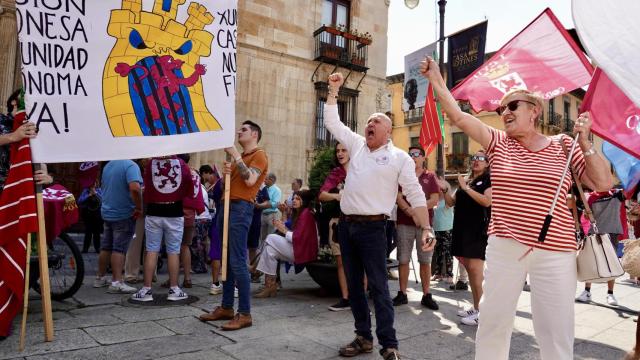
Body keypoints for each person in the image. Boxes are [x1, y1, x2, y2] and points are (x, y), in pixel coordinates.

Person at [420, 56, 613, 360]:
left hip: (555, 251)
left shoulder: (565, 144)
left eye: (512, 106)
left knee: (556, 330)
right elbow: (457, 116)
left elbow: (602, 182)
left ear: (534, 111)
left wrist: (586, 141)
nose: (504, 113)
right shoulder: (498, 143)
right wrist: (436, 79)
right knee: (493, 323)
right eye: (501, 109)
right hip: (504, 247)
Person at [325, 73, 435, 360]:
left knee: (378, 287)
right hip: (348, 228)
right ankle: (363, 338)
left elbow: (414, 193)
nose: (369, 124)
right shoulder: (357, 144)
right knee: (355, 287)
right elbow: (332, 123)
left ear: (388, 131)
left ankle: (389, 344)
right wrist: (334, 91)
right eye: (368, 121)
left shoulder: (399, 157)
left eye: (376, 122)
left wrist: (426, 228)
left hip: (375, 229)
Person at [199, 120, 268, 331]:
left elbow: (250, 181)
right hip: (226, 207)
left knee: (237, 260)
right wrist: (228, 172)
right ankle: (227, 307)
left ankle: (245, 313)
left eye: (244, 130)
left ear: (254, 134)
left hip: (240, 208)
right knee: (226, 260)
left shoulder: (259, 155)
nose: (239, 131)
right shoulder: (244, 158)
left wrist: (236, 156)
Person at [131, 155, 194, 302]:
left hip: (154, 212)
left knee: (152, 249)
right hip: (175, 211)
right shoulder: (182, 164)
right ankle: (174, 289)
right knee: (173, 251)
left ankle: (146, 289)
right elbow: (189, 188)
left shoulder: (151, 163)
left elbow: (146, 187)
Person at [442, 150, 492, 326]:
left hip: (477, 230)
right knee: (471, 271)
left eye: (481, 158)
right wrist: (445, 189)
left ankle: (483, 312)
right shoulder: (468, 179)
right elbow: (450, 203)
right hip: (463, 230)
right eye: (474, 158)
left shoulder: (487, 180)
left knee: (476, 271)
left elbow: (487, 201)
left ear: (487, 163)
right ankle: (477, 306)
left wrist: (466, 188)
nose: (476, 161)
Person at [393, 146, 440, 310]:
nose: (413, 157)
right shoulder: (402, 176)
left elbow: (434, 200)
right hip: (404, 222)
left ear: (423, 158)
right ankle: (402, 293)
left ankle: (427, 294)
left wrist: (416, 210)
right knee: (403, 259)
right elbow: (398, 197)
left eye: (416, 154)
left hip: (425, 225)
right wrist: (410, 211)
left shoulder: (430, 176)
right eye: (410, 154)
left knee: (425, 261)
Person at [254, 190, 318, 297]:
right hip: (297, 248)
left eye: (298, 199)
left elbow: (297, 237)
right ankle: (270, 286)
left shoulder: (306, 214)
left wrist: (283, 230)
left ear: (304, 201)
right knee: (270, 251)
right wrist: (282, 226)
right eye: (293, 198)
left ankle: (257, 270)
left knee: (270, 237)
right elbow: (290, 229)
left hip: (302, 252)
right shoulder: (299, 213)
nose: (294, 200)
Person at [93, 160, 143, 294]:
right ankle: (117, 282)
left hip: (108, 211)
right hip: (124, 213)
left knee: (106, 247)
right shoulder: (131, 166)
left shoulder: (109, 165)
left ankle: (100, 277)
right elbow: (135, 188)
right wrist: (138, 206)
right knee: (119, 249)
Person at [576, 187, 626, 306]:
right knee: (591, 262)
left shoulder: (617, 194)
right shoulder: (590, 197)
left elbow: (628, 190)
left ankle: (610, 293)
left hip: (612, 232)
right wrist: (586, 214)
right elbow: (587, 217)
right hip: (595, 232)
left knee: (612, 263)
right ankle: (587, 291)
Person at [318, 142, 351, 311]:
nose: (339, 153)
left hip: (361, 223)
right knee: (341, 263)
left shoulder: (360, 169)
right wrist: (337, 196)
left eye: (344, 150)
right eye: (337, 150)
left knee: (362, 264)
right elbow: (322, 195)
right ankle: (345, 299)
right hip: (339, 222)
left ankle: (360, 300)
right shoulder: (336, 173)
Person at [200, 164, 224, 294]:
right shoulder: (222, 185)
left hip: (217, 221)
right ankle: (236, 287)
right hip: (230, 223)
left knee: (216, 254)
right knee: (233, 254)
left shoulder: (217, 186)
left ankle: (215, 284)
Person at [432, 176, 454, 285]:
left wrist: (444, 186)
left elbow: (450, 203)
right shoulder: (435, 200)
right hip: (436, 229)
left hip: (447, 229)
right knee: (438, 252)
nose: (439, 190)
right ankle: (438, 273)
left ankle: (449, 275)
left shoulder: (447, 199)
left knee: (448, 253)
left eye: (440, 188)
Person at [248, 183, 270, 282]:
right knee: (240, 247)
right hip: (241, 219)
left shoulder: (262, 186)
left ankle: (253, 273)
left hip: (255, 221)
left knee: (253, 247)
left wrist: (258, 205)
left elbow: (268, 203)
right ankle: (241, 272)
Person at [78, 179, 104, 253]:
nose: (93, 185)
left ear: (96, 183)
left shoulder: (99, 190)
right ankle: (85, 248)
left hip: (97, 215)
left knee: (97, 232)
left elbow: (103, 200)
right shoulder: (85, 191)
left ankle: (97, 248)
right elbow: (79, 201)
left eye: (94, 183)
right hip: (88, 214)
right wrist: (88, 195)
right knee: (88, 232)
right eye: (91, 184)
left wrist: (95, 193)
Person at [260, 173, 281, 241]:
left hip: (272, 215)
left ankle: (269, 251)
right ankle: (263, 251)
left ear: (271, 180)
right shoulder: (264, 189)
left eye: (266, 179)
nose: (264, 181)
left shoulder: (277, 190)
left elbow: (275, 203)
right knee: (262, 236)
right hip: (263, 214)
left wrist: (261, 205)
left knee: (271, 236)